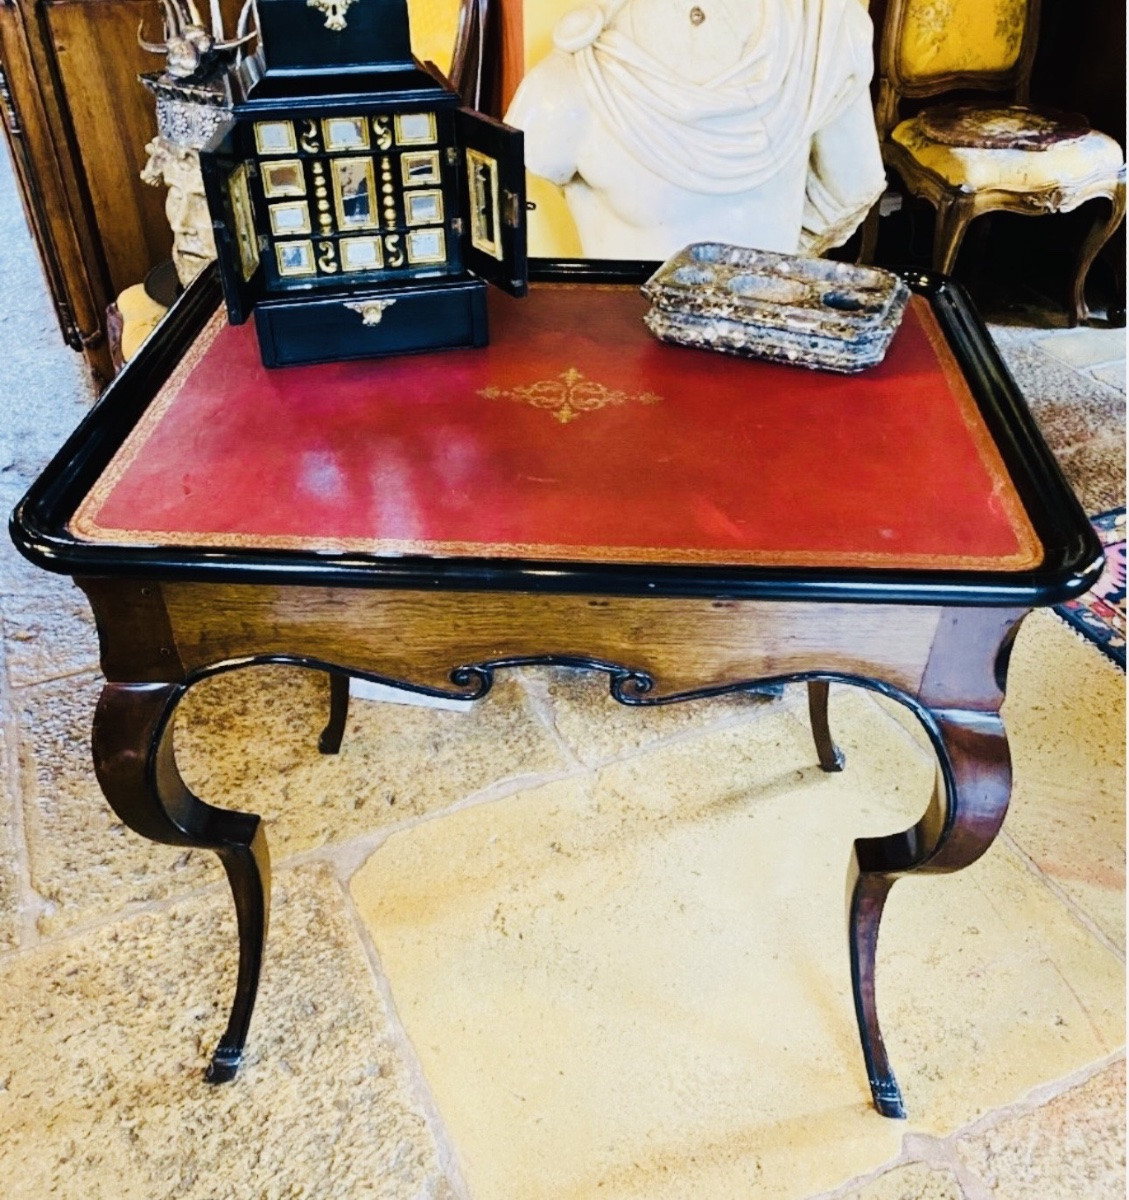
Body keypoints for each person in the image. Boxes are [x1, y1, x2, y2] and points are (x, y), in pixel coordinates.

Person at [505, 0, 885, 260]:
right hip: (634, 350)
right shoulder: (566, 82)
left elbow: (850, 191)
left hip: (762, 339)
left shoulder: (826, 34)